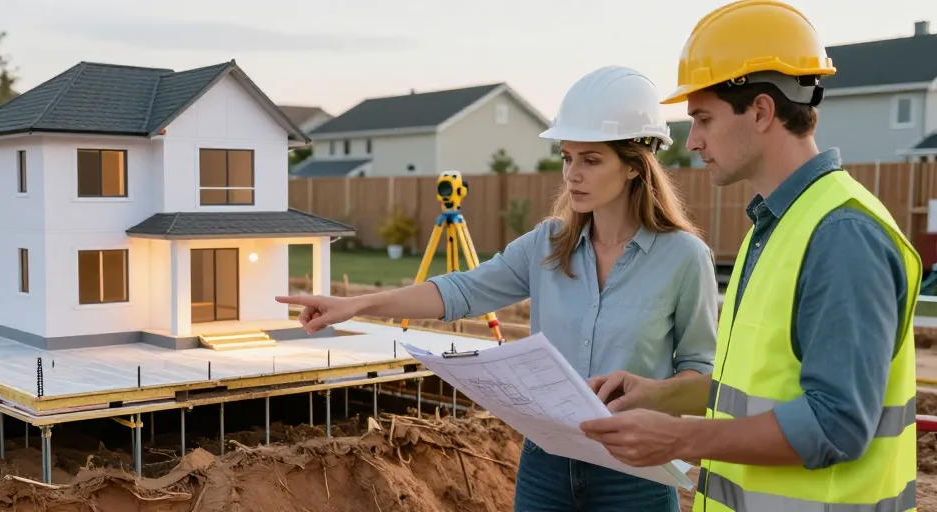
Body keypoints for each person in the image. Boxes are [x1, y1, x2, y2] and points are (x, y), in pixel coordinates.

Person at [276, 65, 719, 511]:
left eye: (591, 159)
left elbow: (702, 378)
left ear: (634, 167)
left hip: (633, 472)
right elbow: (459, 291)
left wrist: (652, 393)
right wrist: (357, 304)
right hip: (546, 464)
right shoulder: (547, 243)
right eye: (567, 157)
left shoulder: (683, 257)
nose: (572, 175)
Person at [579, 1, 920, 511]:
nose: (691, 141)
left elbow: (836, 425)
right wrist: (657, 395)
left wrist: (679, 439)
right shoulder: (778, 225)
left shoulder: (841, 235)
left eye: (703, 119)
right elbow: (757, 390)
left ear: (761, 111)